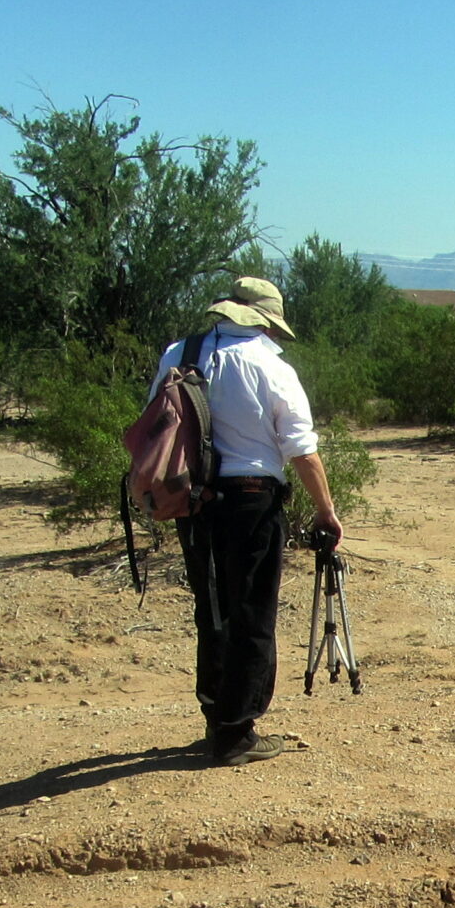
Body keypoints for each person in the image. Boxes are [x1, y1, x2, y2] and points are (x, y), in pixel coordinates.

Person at [153, 276, 343, 767]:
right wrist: (325, 510)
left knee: (212, 607)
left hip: (193, 500)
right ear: (265, 322)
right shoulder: (270, 366)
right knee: (252, 613)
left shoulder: (180, 352)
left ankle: (217, 717)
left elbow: (157, 419)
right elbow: (301, 448)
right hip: (250, 501)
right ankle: (237, 732)